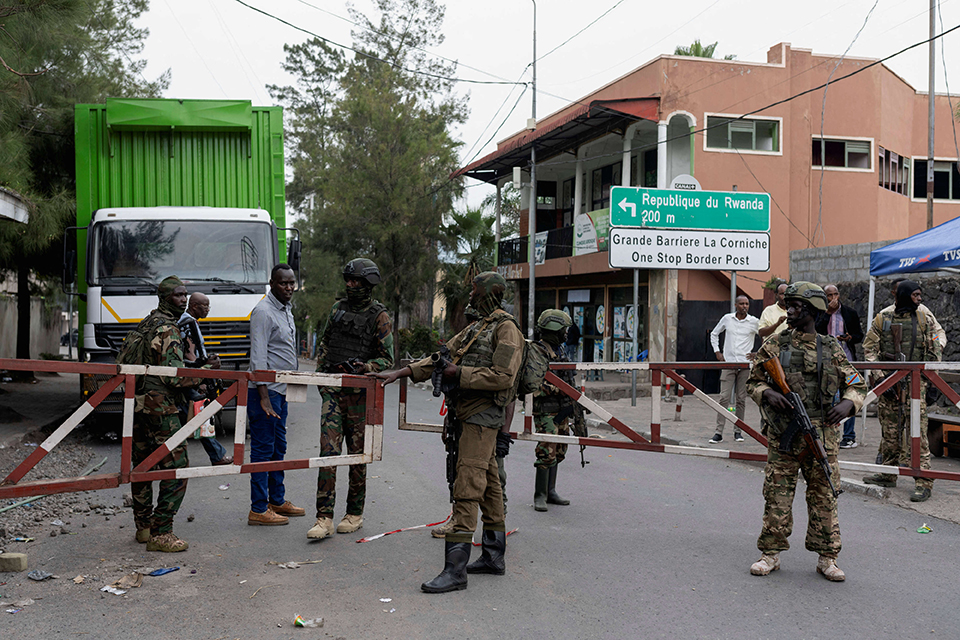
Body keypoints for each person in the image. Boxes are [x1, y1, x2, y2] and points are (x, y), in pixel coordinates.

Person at [373, 272, 523, 593]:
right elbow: (441, 358)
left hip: (483, 418)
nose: (469, 294)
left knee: (467, 484)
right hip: (466, 414)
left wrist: (460, 373)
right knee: (491, 485)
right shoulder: (477, 326)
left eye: (473, 289)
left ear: (486, 293)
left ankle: (455, 571)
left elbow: (503, 377)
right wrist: (404, 371)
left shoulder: (506, 329)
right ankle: (494, 557)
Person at [747, 282, 866, 582]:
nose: (790, 309)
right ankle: (770, 554)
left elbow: (857, 384)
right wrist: (767, 394)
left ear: (812, 311)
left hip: (821, 435)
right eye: (789, 304)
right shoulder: (775, 344)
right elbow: (753, 380)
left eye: (797, 306)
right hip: (784, 432)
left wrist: (848, 405)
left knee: (824, 496)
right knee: (777, 495)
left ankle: (827, 557)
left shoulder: (832, 348)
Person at [307, 258, 394, 540]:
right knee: (327, 455)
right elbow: (326, 344)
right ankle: (324, 518)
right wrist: (322, 379)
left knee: (357, 459)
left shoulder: (379, 315)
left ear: (368, 284)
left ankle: (354, 513)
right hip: (333, 393)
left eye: (355, 281)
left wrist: (367, 367)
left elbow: (387, 359)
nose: (349, 285)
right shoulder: (337, 309)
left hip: (359, 398)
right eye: (347, 280)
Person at [131, 276, 216, 552]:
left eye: (185, 295)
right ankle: (161, 532)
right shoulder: (168, 329)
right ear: (165, 298)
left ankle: (143, 527)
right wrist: (202, 375)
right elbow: (173, 377)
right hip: (161, 407)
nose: (184, 299)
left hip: (139, 403)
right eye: (178, 295)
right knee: (176, 466)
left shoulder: (147, 323)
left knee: (142, 466)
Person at [861, 280, 943, 502]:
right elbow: (869, 348)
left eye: (920, 295)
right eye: (916, 295)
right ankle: (888, 474)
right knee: (890, 435)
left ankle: (923, 480)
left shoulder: (925, 319)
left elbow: (935, 350)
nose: (919, 299)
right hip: (890, 386)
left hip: (916, 389)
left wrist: (929, 380)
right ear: (906, 295)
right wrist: (880, 379)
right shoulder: (883, 318)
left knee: (919, 436)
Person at [246, 264, 306, 526]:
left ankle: (276, 500)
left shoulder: (286, 309)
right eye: (284, 283)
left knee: (278, 447)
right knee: (262, 449)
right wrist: (263, 396)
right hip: (266, 391)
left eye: (292, 283)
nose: (289, 287)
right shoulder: (263, 311)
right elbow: (258, 357)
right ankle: (258, 508)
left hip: (282, 390)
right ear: (272, 283)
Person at [178, 292, 232, 465]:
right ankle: (217, 456)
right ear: (194, 306)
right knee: (200, 417)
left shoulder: (189, 322)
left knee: (191, 419)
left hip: (190, 378)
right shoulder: (188, 323)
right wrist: (201, 377)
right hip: (190, 379)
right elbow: (189, 354)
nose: (208, 309)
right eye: (205, 306)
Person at [532, 309, 575, 512]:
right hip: (545, 409)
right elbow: (533, 385)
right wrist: (558, 389)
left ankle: (551, 491)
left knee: (559, 450)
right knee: (546, 452)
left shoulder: (561, 352)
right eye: (563, 330)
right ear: (554, 331)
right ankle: (540, 495)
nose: (566, 334)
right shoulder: (536, 352)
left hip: (561, 409)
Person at [815, 284, 864, 449]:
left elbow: (859, 335)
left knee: (849, 396)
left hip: (847, 360)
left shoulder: (849, 312)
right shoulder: (820, 312)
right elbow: (816, 332)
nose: (833, 298)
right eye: (829, 295)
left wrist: (849, 338)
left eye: (835, 294)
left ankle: (849, 436)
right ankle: (829, 434)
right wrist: (828, 313)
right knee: (829, 397)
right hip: (826, 361)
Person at [708, 295, 759, 444]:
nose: (744, 306)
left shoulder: (753, 322)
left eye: (747, 304)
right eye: (742, 303)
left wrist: (758, 352)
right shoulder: (727, 318)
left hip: (744, 365)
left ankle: (738, 431)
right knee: (723, 397)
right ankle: (718, 432)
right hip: (728, 363)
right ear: (736, 305)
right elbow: (714, 333)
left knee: (741, 399)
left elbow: (766, 335)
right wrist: (717, 351)